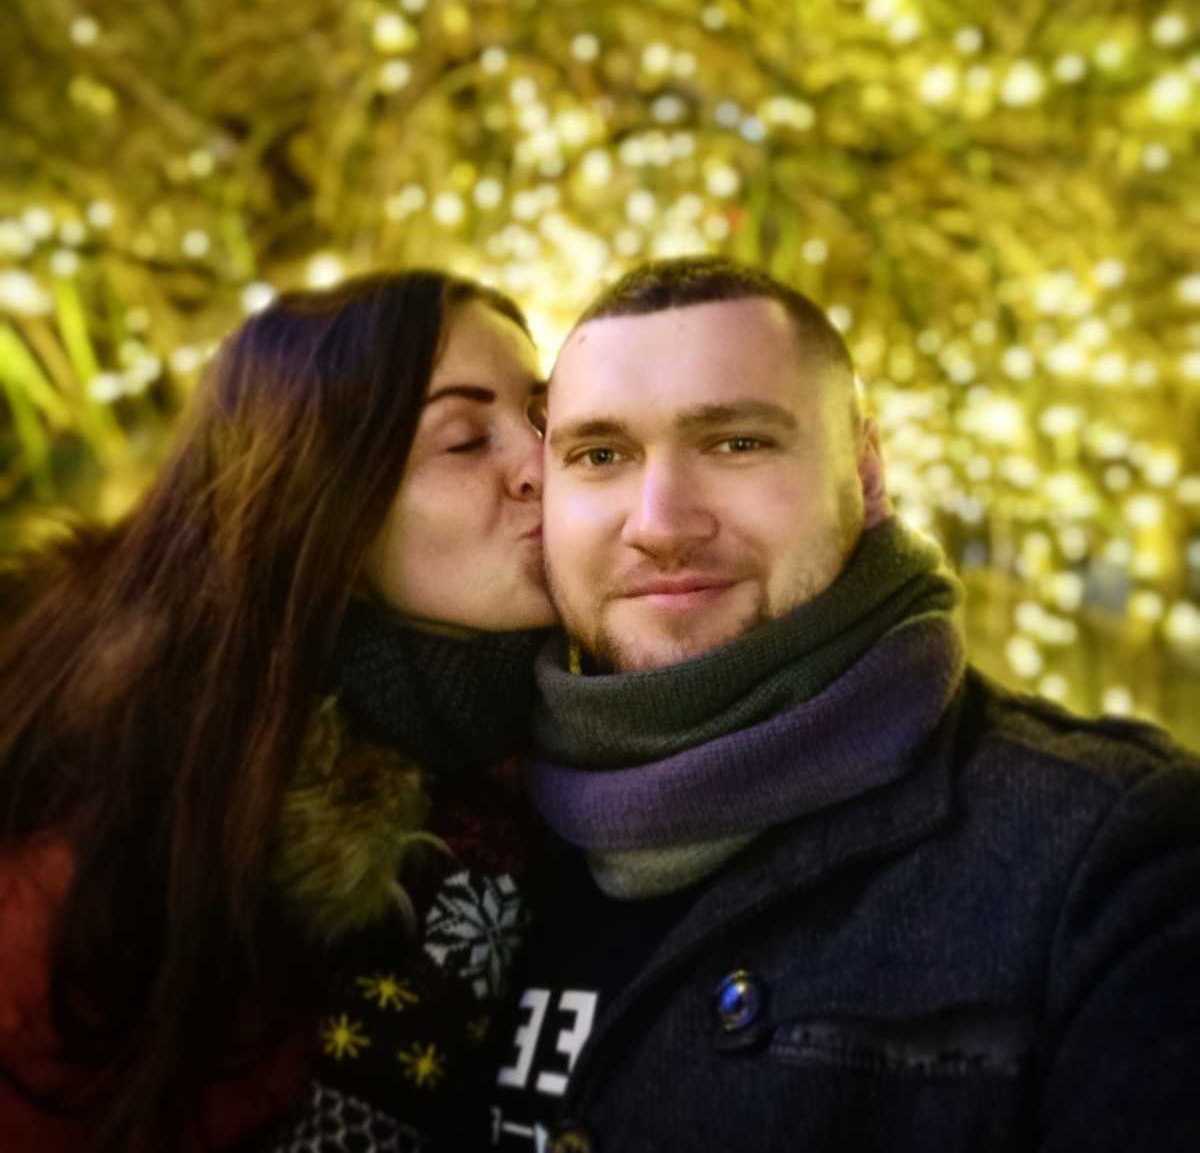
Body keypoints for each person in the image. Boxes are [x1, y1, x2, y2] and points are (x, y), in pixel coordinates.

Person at [487, 255, 1200, 1153]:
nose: (660, 524)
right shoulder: (477, 848)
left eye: (737, 443)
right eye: (600, 456)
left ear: (864, 473)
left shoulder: (1107, 856)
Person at [0, 269, 554, 1153]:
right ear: (326, 504)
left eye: (544, 415)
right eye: (463, 440)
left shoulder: (600, 749)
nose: (543, 464)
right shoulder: (127, 817)